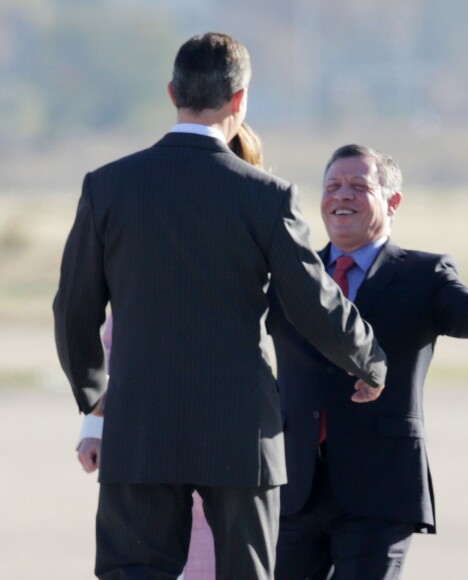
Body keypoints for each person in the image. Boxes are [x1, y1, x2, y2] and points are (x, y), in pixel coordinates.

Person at [53, 33, 388, 580]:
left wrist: (94, 393)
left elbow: (74, 307)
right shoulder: (267, 195)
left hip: (140, 424)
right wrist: (369, 359)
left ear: (172, 92)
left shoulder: (107, 187)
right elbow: (313, 303)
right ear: (240, 101)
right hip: (239, 431)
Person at [266, 144, 468, 580]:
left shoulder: (423, 273)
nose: (342, 195)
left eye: (358, 186)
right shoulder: (294, 274)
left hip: (378, 491)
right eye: (333, 186)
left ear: (392, 201)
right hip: (294, 486)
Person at [76, 122, 267, 580]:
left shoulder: (256, 227)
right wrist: (95, 421)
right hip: (212, 443)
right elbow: (113, 336)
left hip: (201, 439)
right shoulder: (157, 238)